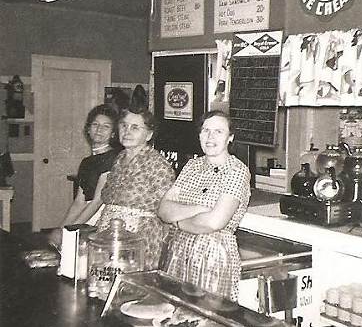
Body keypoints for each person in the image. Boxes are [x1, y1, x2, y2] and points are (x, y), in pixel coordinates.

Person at [158, 110, 251, 301]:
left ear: (230, 137)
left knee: (208, 319)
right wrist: (199, 209)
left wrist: (178, 222)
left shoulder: (237, 171)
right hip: (179, 250)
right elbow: (163, 210)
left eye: (218, 131)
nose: (210, 137)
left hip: (214, 256)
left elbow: (214, 222)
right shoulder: (191, 166)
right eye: (205, 130)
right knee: (176, 312)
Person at [96, 104, 175, 270]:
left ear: (149, 134)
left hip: (139, 240)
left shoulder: (158, 165)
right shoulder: (119, 159)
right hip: (111, 235)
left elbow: (168, 210)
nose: (127, 131)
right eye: (124, 125)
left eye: (135, 127)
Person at [60, 104, 120, 229]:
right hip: (86, 215)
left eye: (106, 126)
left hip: (103, 219)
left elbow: (97, 201)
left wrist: (71, 229)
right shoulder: (86, 162)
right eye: (95, 124)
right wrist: (61, 228)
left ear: (113, 134)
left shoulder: (113, 159)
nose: (99, 130)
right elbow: (79, 202)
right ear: (88, 129)